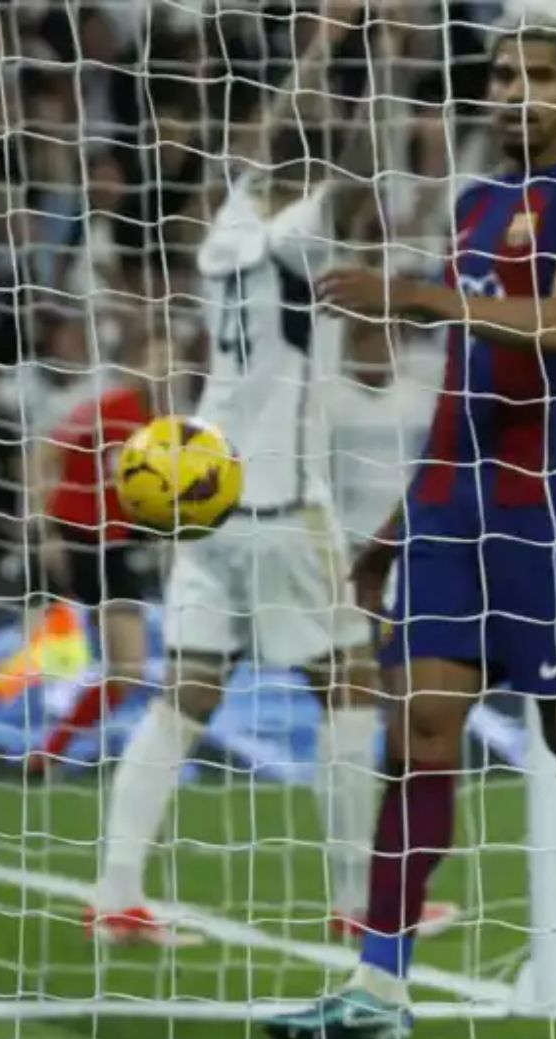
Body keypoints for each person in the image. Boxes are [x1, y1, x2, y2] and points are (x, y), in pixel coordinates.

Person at [264, 7, 556, 1039]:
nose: (511, 92)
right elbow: (460, 385)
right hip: (456, 501)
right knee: (416, 734)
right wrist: (401, 523)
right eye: (499, 76)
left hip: (555, 501)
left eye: (535, 74)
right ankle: (378, 985)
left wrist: (409, 296)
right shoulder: (474, 205)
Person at [86, 4, 459, 947]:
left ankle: (117, 894)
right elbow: (344, 160)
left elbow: (279, 140)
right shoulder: (298, 242)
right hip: (282, 504)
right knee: (347, 685)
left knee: (188, 694)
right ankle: (356, 902)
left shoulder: (229, 228)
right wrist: (379, 47)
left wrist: (325, 39)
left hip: (201, 501)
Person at [25, 327, 166, 774]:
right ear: (135, 364)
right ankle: (42, 749)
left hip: (114, 547)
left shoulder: (162, 427)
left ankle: (48, 754)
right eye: (156, 360)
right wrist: (44, 530)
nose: (165, 371)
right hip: (75, 538)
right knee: (43, 660)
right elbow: (44, 453)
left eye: (174, 362)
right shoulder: (110, 408)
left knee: (126, 669)